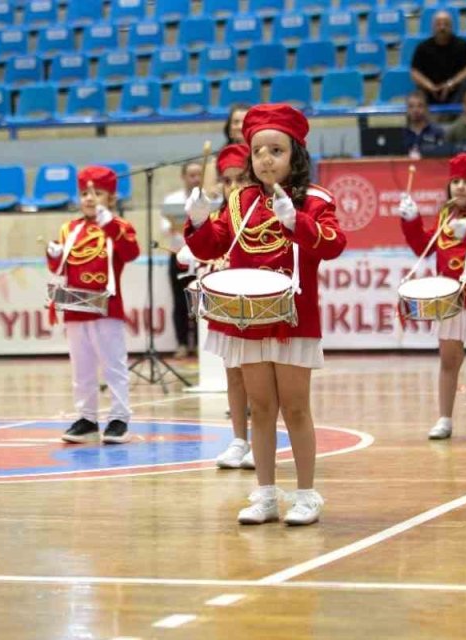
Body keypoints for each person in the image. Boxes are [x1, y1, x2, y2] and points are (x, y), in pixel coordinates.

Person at [185, 104, 347, 526]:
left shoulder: (316, 200)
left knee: (295, 409)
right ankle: (266, 495)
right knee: (260, 408)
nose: (266, 159)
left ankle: (306, 495)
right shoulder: (240, 201)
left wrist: (298, 223)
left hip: (293, 319)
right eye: (258, 151)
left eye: (276, 150)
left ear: (296, 154)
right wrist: (198, 223)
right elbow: (212, 245)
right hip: (250, 320)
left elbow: (334, 244)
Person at [398, 153, 466, 441]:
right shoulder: (446, 214)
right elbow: (423, 247)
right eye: (456, 181)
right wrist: (411, 221)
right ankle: (444, 419)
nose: (460, 187)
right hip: (449, 301)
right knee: (448, 362)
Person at [46, 166, 140, 444]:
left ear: (111, 198)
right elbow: (61, 268)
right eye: (85, 193)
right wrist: (53, 255)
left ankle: (119, 418)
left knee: (113, 365)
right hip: (75, 307)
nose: (89, 198)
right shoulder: (69, 229)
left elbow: (131, 253)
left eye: (97, 193)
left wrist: (110, 225)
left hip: (106, 306)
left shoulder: (120, 226)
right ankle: (86, 418)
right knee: (82, 367)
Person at [199, 143, 258, 471]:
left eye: (241, 179)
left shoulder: (261, 213)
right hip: (228, 304)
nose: (233, 187)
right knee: (233, 374)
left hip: (257, 303)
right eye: (227, 180)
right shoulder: (219, 217)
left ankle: (263, 439)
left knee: (259, 378)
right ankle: (239, 439)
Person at [161, 161, 203, 357]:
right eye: (191, 175)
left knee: (201, 300)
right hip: (178, 255)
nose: (195, 179)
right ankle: (182, 343)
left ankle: (201, 344)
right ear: (183, 177)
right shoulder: (172, 200)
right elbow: (165, 228)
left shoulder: (209, 199)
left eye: (199, 175)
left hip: (202, 257)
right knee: (179, 300)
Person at [411, 11, 466, 107]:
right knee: (418, 94)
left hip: (456, 90)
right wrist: (430, 86)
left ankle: (450, 114)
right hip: (431, 91)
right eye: (438, 24)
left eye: (446, 24)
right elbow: (415, 72)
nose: (442, 28)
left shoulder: (463, 45)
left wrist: (450, 84)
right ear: (433, 27)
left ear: (451, 26)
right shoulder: (422, 47)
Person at [403, 90, 448, 159]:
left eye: (420, 106)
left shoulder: (437, 132)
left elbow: (443, 156)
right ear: (407, 109)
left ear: (426, 108)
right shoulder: (401, 133)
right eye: (411, 106)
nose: (415, 110)